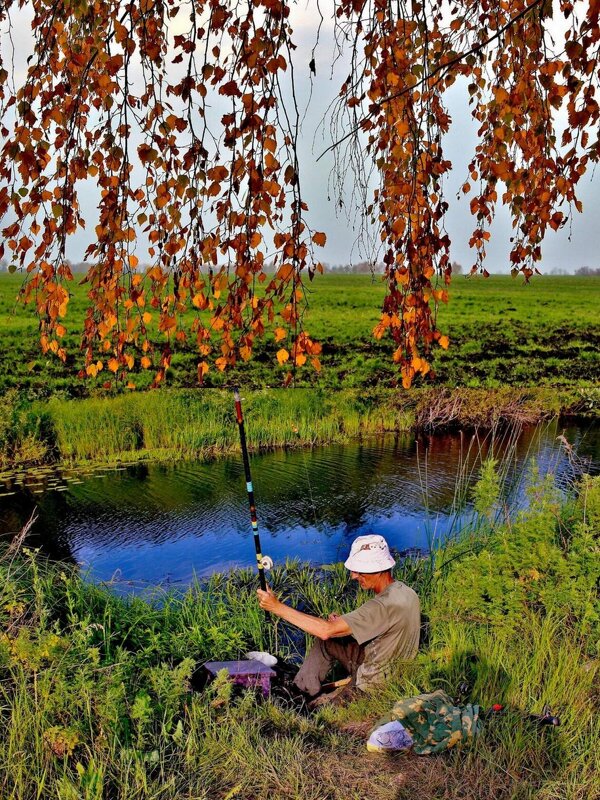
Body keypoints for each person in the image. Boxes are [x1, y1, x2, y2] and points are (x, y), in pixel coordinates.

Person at [256, 533, 420, 703]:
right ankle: (301, 688)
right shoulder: (405, 592)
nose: (354, 576)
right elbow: (385, 626)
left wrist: (277, 607)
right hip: (393, 665)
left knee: (320, 709)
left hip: (374, 684)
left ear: (377, 568)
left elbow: (325, 630)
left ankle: (305, 699)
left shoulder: (380, 607)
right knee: (328, 642)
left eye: (359, 570)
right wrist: (345, 625)